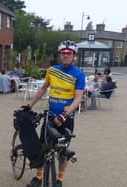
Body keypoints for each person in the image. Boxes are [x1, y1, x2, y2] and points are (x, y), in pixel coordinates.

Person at [26, 40, 85, 187]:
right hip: (50, 116)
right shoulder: (52, 70)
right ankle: (38, 177)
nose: (65, 56)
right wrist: (30, 104)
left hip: (66, 119)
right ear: (59, 55)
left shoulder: (79, 75)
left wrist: (65, 114)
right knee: (41, 147)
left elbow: (78, 98)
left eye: (69, 53)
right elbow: (43, 89)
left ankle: (59, 179)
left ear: (74, 56)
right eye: (63, 53)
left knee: (63, 152)